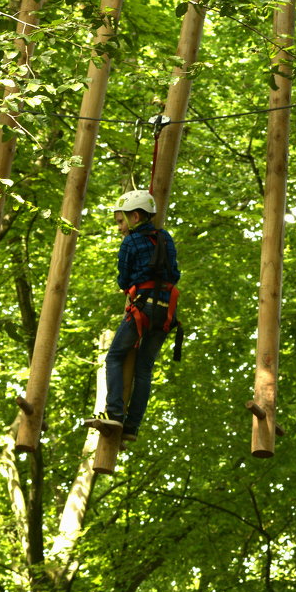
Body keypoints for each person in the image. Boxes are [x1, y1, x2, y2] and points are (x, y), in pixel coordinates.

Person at [93, 189, 180, 445]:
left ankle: (115, 412)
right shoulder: (165, 238)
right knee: (144, 368)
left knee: (115, 357)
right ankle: (132, 426)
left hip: (143, 306)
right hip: (165, 309)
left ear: (136, 215)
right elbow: (174, 273)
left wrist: (131, 285)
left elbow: (123, 279)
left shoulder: (130, 242)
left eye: (121, 221)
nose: (120, 227)